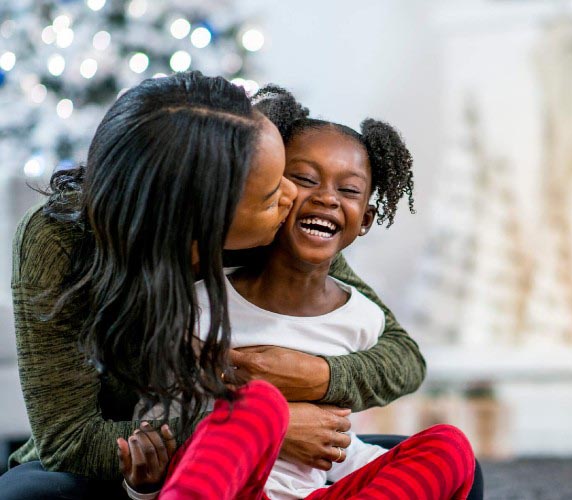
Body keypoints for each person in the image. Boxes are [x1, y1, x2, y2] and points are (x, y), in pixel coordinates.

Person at [0, 72, 426, 499]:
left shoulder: (282, 225)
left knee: (443, 469)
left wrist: (318, 376)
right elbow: (70, 440)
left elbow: (402, 358)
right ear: (205, 216)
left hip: (283, 462)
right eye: (270, 194)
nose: (292, 198)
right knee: (27, 494)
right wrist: (262, 428)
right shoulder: (59, 240)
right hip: (135, 459)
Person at [124, 84, 477, 499]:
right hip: (226, 489)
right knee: (259, 404)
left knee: (450, 446)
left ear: (365, 219)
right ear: (270, 191)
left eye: (347, 190)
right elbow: (159, 426)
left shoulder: (362, 319)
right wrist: (142, 488)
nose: (327, 198)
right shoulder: (201, 305)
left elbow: (337, 438)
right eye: (305, 179)